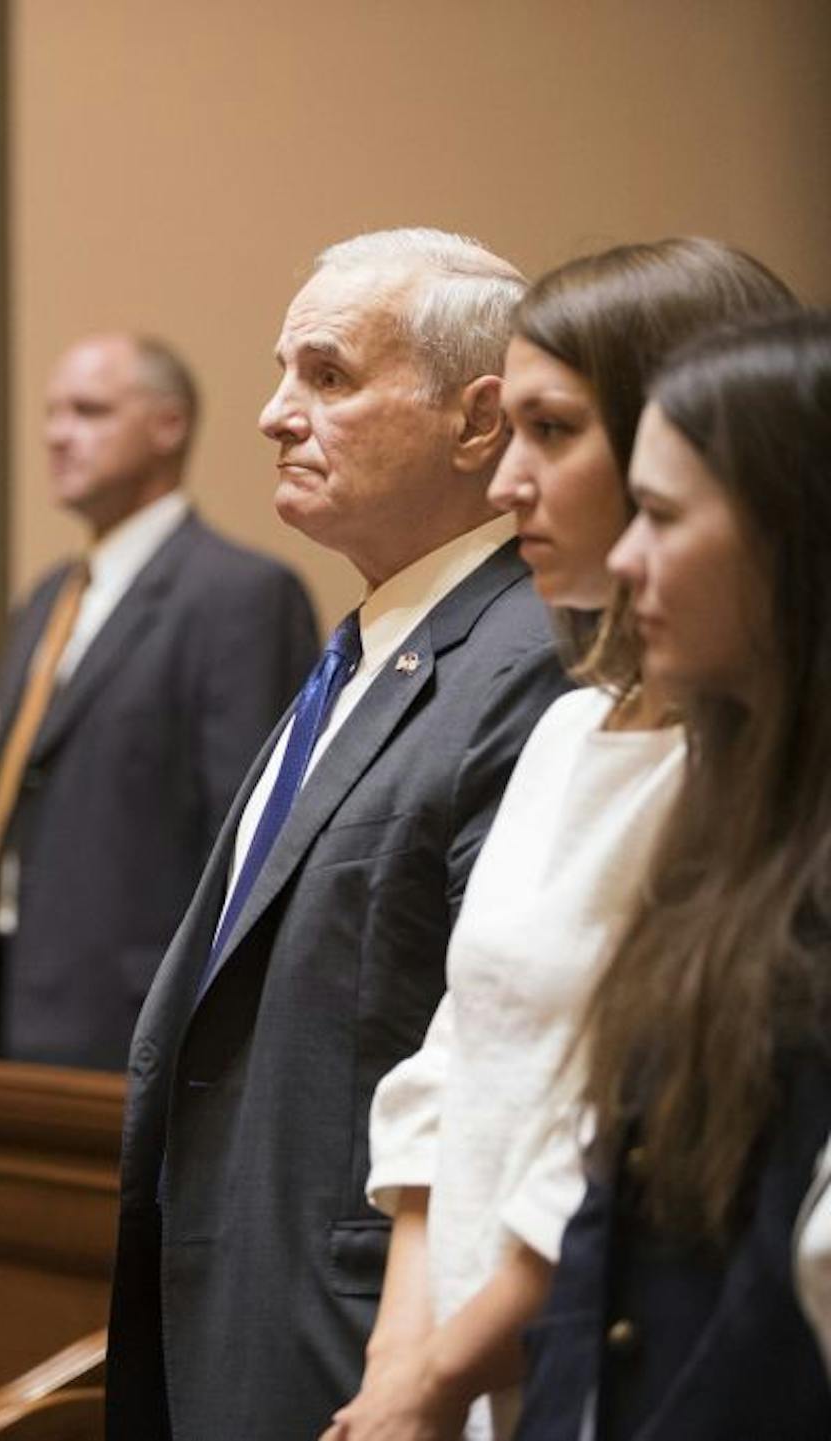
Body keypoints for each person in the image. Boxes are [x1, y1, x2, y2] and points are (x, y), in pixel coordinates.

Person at [109, 230, 573, 1439]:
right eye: (281, 371)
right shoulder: (369, 647)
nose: (273, 413)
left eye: (326, 376)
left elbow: (499, 1054)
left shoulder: (526, 661)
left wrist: (417, 1369)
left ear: (479, 425)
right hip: (245, 1298)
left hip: (363, 1337)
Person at [332, 240, 796, 1441]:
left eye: (553, 431)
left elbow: (614, 1137)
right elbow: (453, 1057)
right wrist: (401, 1365)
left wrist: (439, 1375)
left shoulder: (753, 776)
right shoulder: (570, 723)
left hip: (600, 1363)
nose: (506, 483)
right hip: (470, 1380)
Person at [514, 310, 831, 1439]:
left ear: (792, 535)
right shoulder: (728, 815)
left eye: (658, 515)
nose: (628, 556)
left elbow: (786, 1305)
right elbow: (611, 1219)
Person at [0, 333, 316, 1070]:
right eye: (50, 413)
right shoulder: (46, 598)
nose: (56, 433)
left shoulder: (239, 595)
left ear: (168, 425)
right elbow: (0, 813)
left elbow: (247, 838)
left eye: (88, 411)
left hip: (133, 1023)